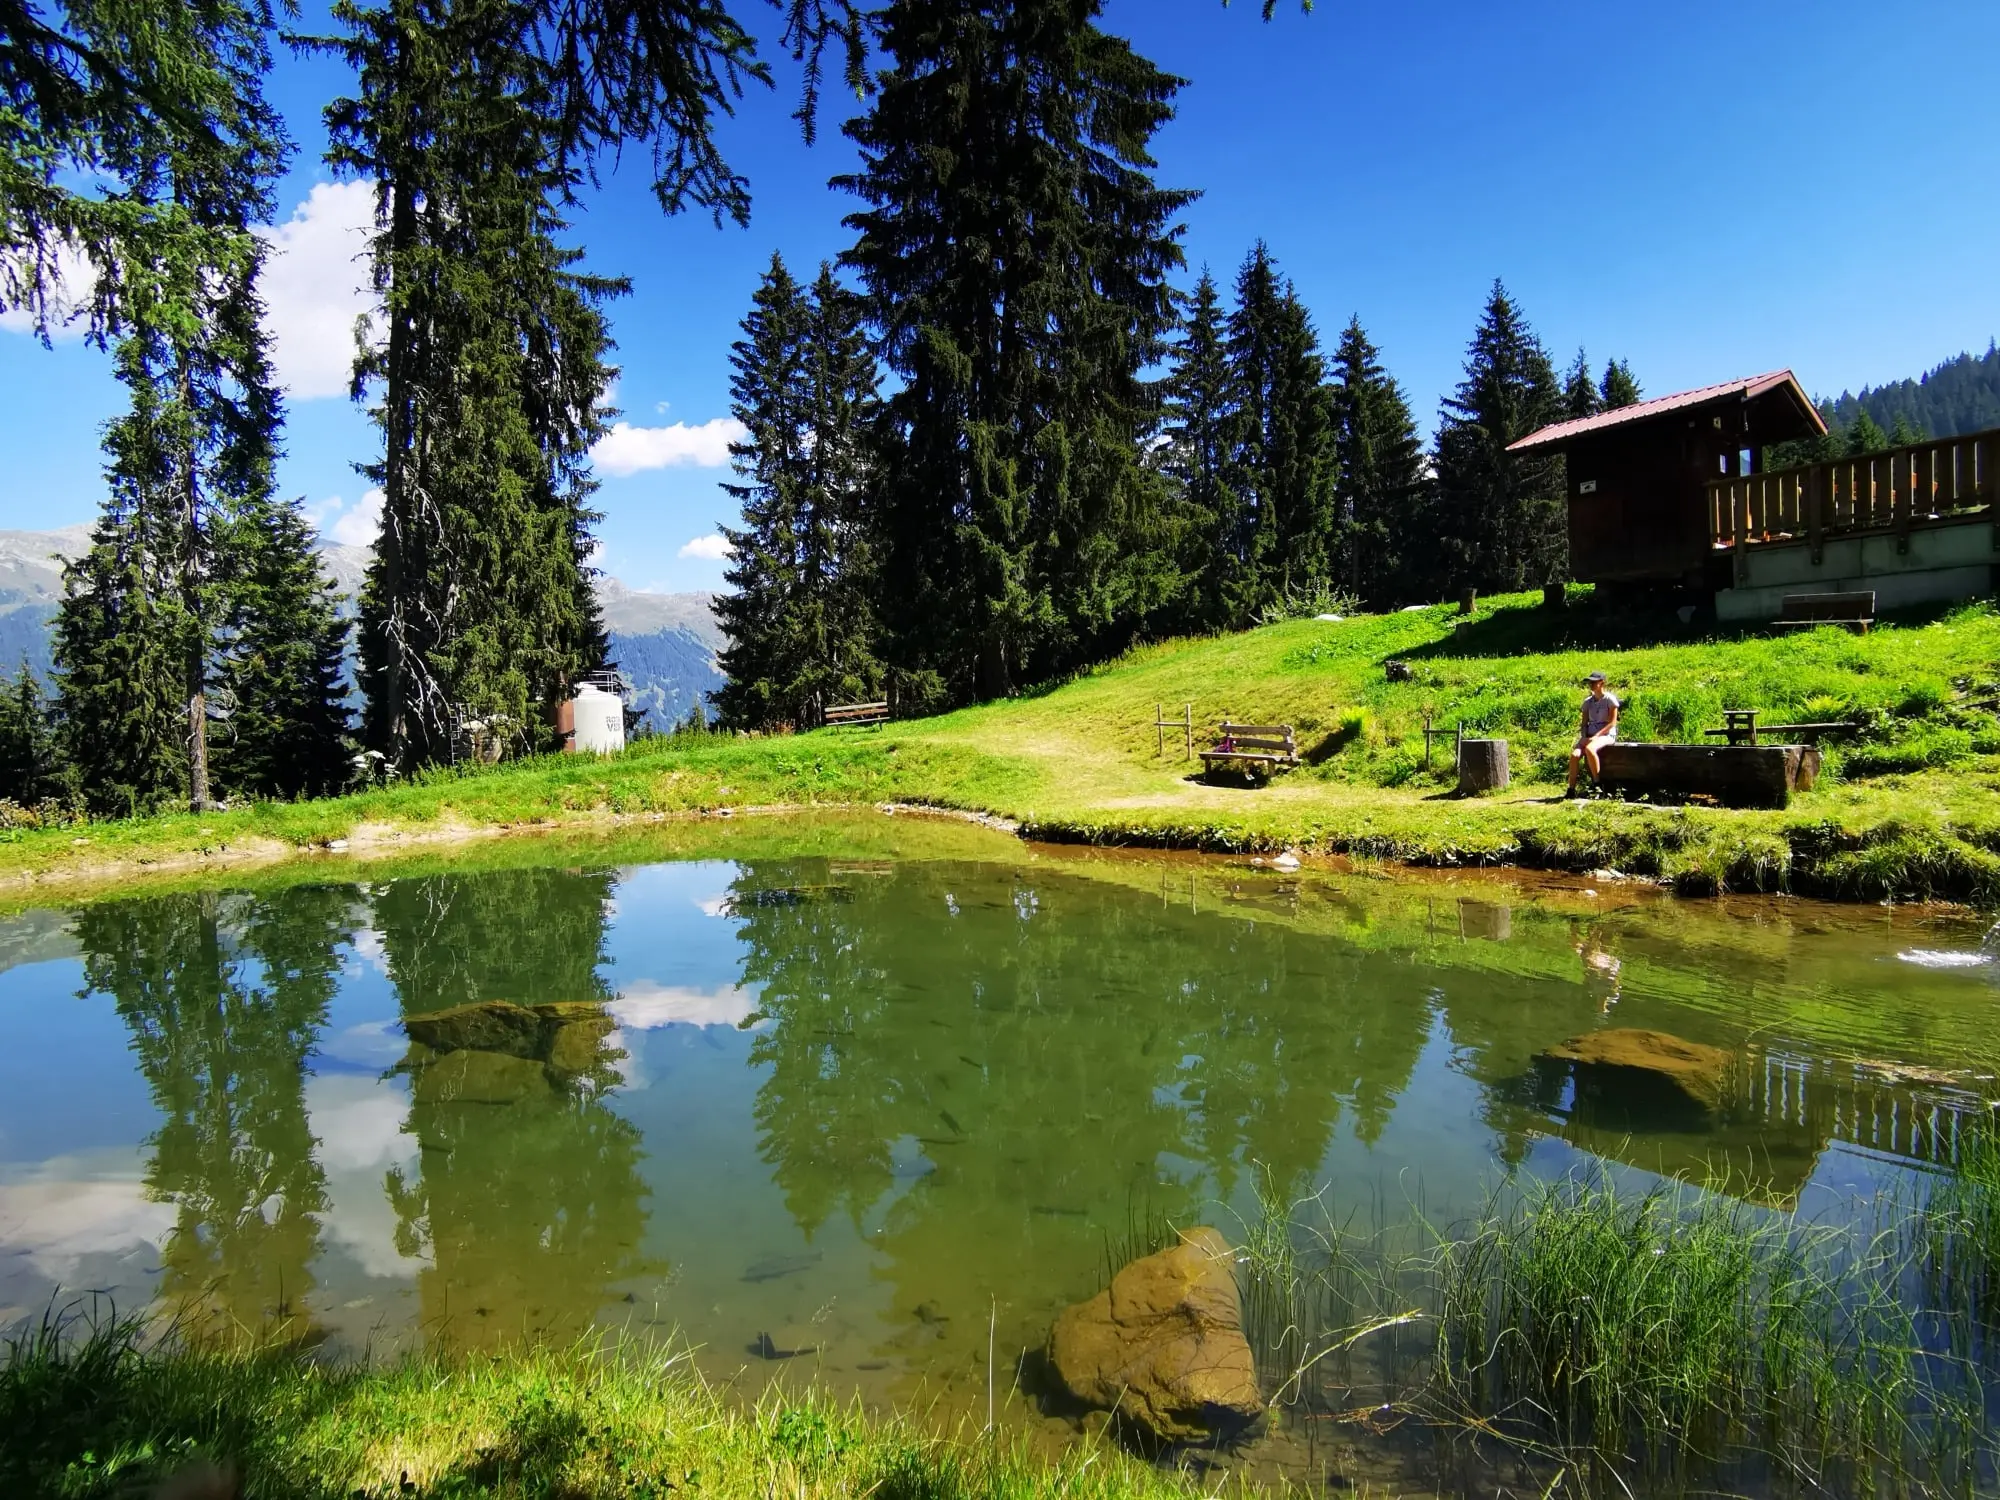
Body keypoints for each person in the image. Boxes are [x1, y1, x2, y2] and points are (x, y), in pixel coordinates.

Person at [1567, 670, 1619, 795]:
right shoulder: (1587, 702)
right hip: (1589, 735)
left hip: (1606, 734)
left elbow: (1612, 723)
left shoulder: (1610, 700)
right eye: (1590, 682)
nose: (1591, 684)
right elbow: (1584, 723)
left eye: (1594, 682)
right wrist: (1584, 736)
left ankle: (1597, 784)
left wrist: (1595, 737)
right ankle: (1571, 789)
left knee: (1590, 749)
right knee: (1574, 756)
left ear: (1602, 683)